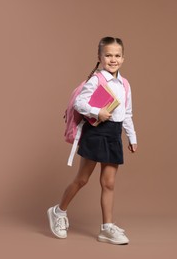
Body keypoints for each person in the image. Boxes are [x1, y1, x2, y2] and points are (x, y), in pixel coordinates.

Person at [47, 37, 137, 245]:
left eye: (116, 55)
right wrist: (98, 112)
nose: (112, 59)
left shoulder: (124, 84)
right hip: (96, 133)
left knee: (109, 183)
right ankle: (58, 212)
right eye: (108, 55)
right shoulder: (97, 79)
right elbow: (79, 102)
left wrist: (132, 137)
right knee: (82, 179)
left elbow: (128, 113)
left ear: (123, 58)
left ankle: (106, 228)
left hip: (114, 134)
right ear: (99, 57)